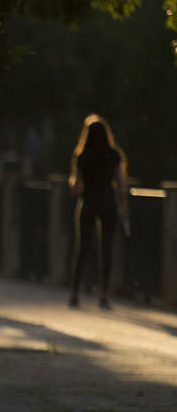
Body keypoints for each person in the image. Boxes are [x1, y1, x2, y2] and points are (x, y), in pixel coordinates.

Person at [68, 114, 129, 310]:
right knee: (107, 250)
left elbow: (76, 185)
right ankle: (103, 296)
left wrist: (75, 186)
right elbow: (120, 184)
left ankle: (74, 294)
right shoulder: (114, 155)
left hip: (88, 203)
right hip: (108, 203)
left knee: (83, 249)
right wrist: (123, 209)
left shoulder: (82, 156)